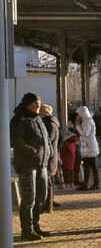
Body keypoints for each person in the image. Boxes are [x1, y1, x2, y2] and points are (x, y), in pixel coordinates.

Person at [9, 92, 52, 240]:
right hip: (27, 164)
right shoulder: (19, 119)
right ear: (27, 105)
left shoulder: (38, 120)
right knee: (29, 197)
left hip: (42, 163)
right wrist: (33, 151)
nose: (37, 107)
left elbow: (46, 138)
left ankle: (36, 225)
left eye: (39, 105)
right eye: (34, 105)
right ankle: (26, 229)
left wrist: (49, 151)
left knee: (41, 196)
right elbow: (15, 141)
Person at [38, 104, 61, 213]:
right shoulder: (53, 122)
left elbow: (48, 140)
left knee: (47, 182)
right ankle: (50, 201)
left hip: (49, 156)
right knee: (48, 180)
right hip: (52, 155)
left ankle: (48, 204)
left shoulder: (49, 124)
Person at [75, 106, 100, 191]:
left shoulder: (88, 122)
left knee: (92, 166)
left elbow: (85, 134)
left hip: (90, 147)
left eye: (78, 115)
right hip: (88, 147)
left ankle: (96, 183)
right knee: (86, 166)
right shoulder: (86, 122)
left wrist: (78, 126)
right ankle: (85, 184)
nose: (77, 117)